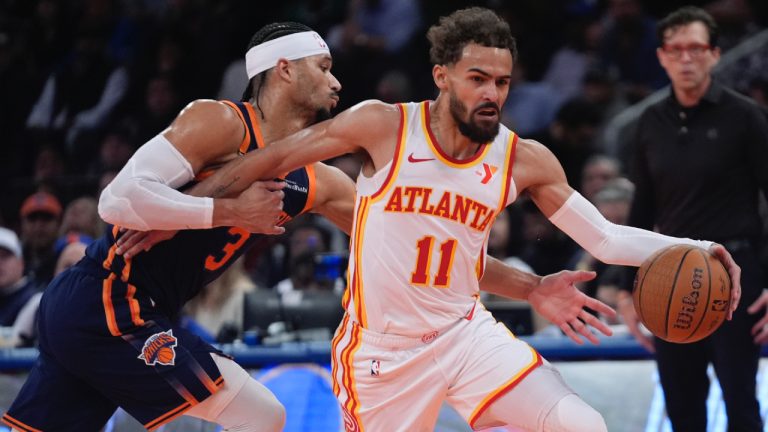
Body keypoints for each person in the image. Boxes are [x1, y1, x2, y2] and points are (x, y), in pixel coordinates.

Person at [2, 20, 601, 432]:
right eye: (325, 66)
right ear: (284, 70)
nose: (338, 81)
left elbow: (434, 258)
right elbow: (118, 200)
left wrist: (532, 287)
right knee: (260, 416)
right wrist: (228, 212)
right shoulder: (220, 122)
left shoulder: (314, 181)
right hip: (108, 301)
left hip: (111, 312)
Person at [190, 8, 741, 431]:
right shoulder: (383, 126)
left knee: (583, 424)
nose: (491, 94)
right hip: (382, 353)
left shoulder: (523, 159)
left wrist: (701, 247)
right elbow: (271, 159)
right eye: (478, 78)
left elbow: (605, 237)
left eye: (501, 82)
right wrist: (188, 209)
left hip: (465, 334)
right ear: (442, 75)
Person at [615, 7, 768, 431]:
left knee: (741, 405)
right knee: (681, 408)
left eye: (696, 48)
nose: (686, 58)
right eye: (676, 49)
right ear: (662, 56)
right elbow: (641, 209)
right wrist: (626, 290)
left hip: (737, 276)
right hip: (670, 272)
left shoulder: (745, 116)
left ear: (715, 54)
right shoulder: (649, 121)